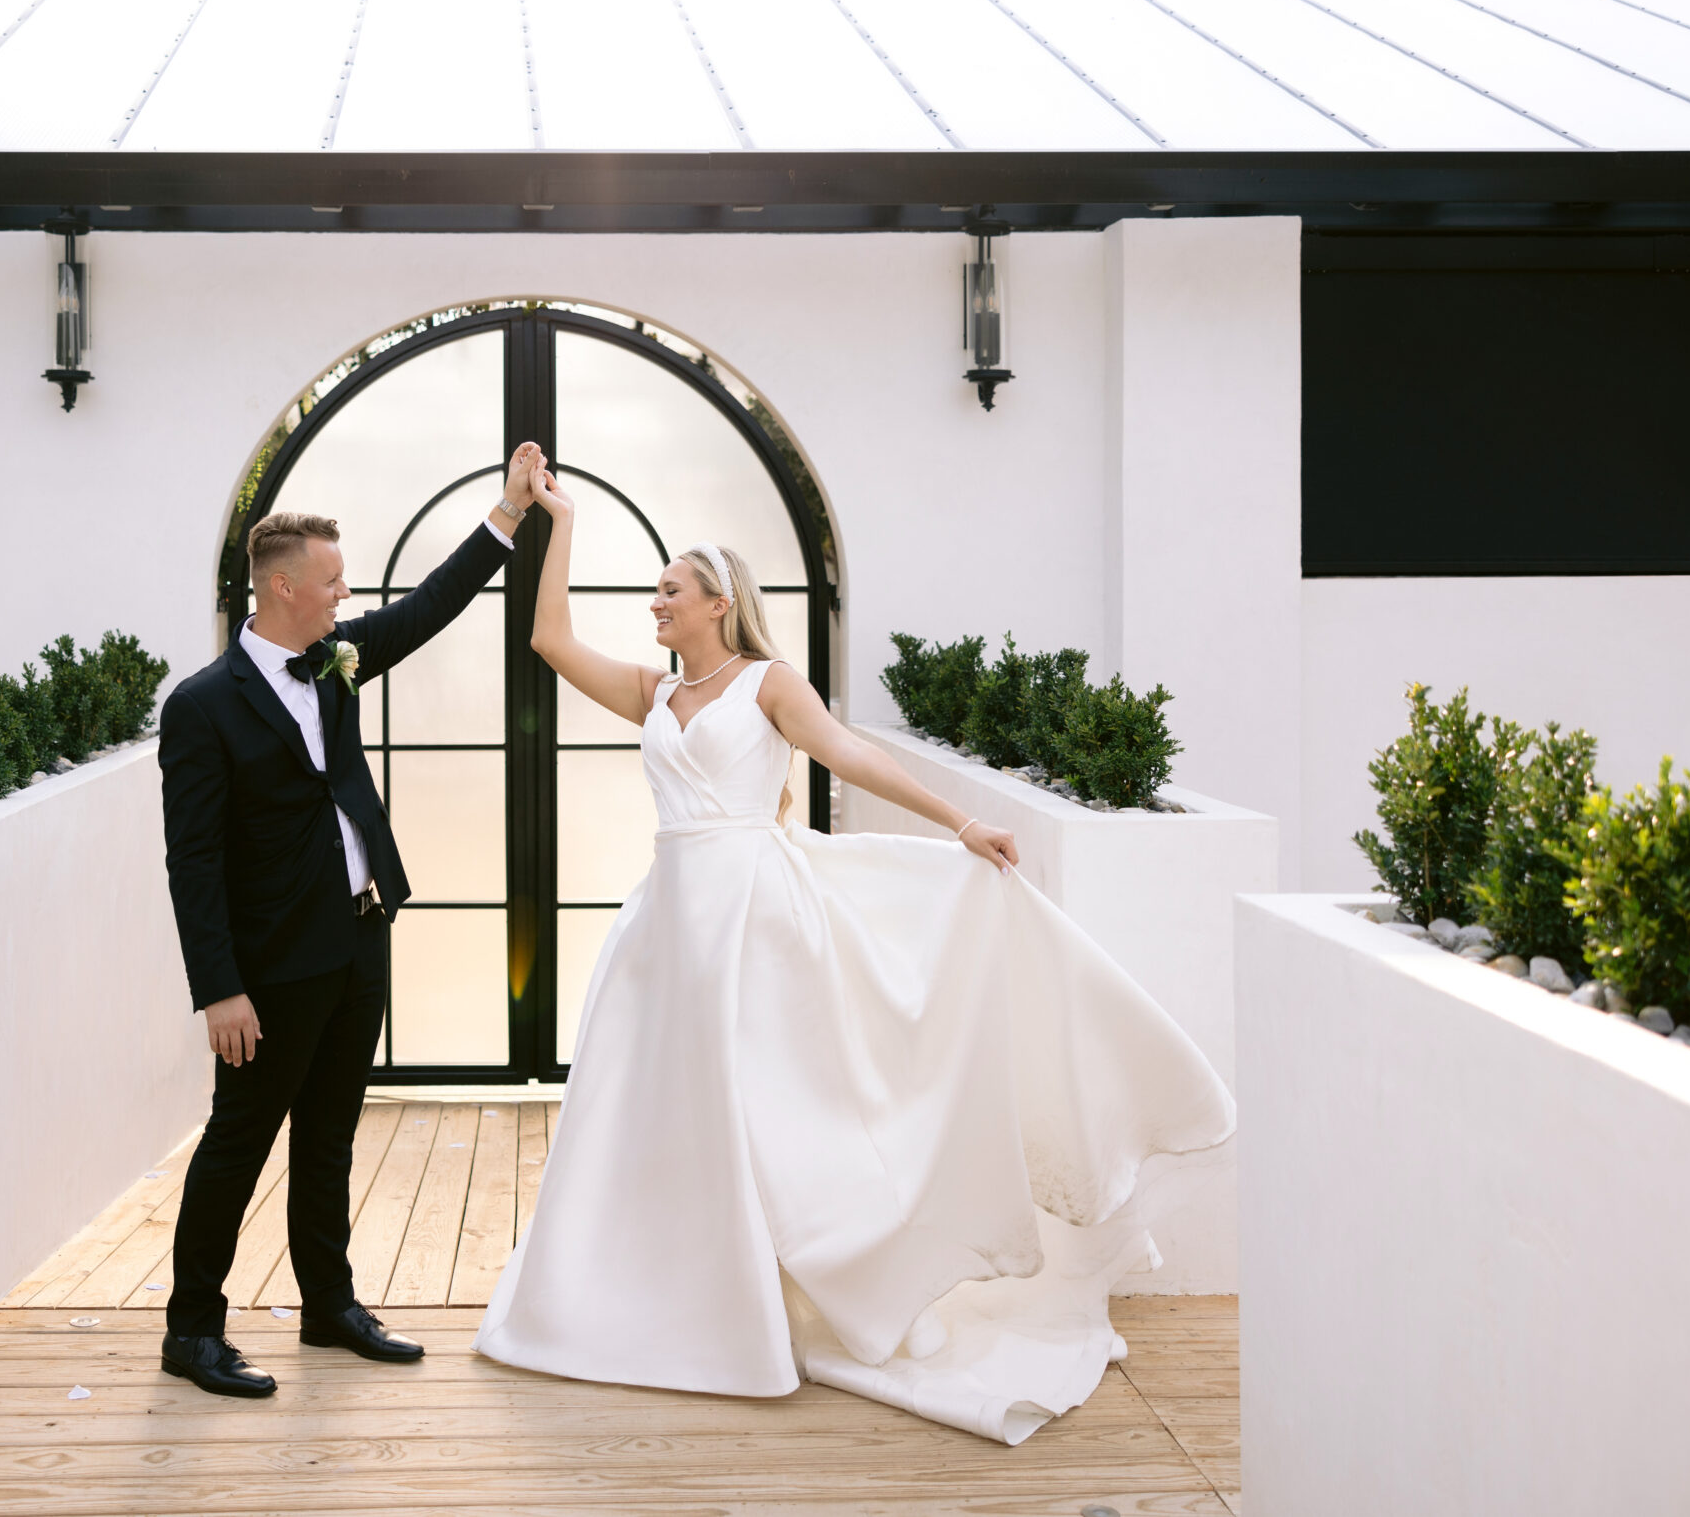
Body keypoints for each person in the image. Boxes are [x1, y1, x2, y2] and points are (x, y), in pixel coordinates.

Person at [473, 461, 1235, 1445]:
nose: (654, 601)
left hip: (754, 914)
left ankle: (831, 1280)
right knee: (658, 1113)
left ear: (716, 600)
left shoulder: (767, 683)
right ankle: (661, 1299)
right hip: (666, 927)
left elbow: (849, 753)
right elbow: (546, 638)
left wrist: (961, 821)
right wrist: (557, 520)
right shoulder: (652, 693)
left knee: (777, 1113)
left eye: (669, 587)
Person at [154, 442, 545, 1398]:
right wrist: (220, 990)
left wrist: (507, 515)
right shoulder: (201, 708)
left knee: (329, 1137)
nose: (344, 593)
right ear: (282, 587)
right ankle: (192, 1330)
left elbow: (425, 608)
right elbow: (192, 862)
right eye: (331, 580)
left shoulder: (334, 663)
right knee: (238, 1142)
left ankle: (328, 1306)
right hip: (271, 967)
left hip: (359, 935)